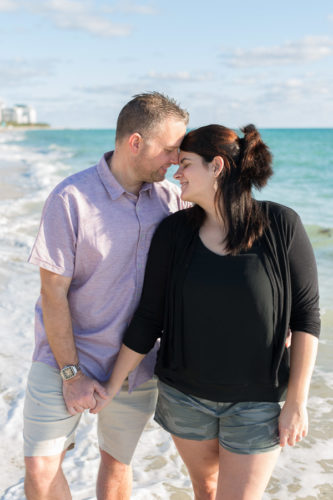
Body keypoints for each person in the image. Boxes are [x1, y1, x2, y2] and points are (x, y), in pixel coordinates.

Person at [92, 124, 320, 499]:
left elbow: (307, 316)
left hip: (257, 401)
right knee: (206, 489)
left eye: (185, 164)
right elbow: (149, 318)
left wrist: (297, 401)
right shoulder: (173, 233)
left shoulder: (282, 226)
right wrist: (112, 386)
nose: (175, 173)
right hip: (185, 398)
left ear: (217, 167)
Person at [23, 92, 189, 500]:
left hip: (135, 367)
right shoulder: (70, 199)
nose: (174, 161)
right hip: (64, 359)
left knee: (117, 466)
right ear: (135, 142)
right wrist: (71, 373)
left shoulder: (172, 201)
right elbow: (53, 294)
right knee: (41, 471)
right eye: (168, 150)